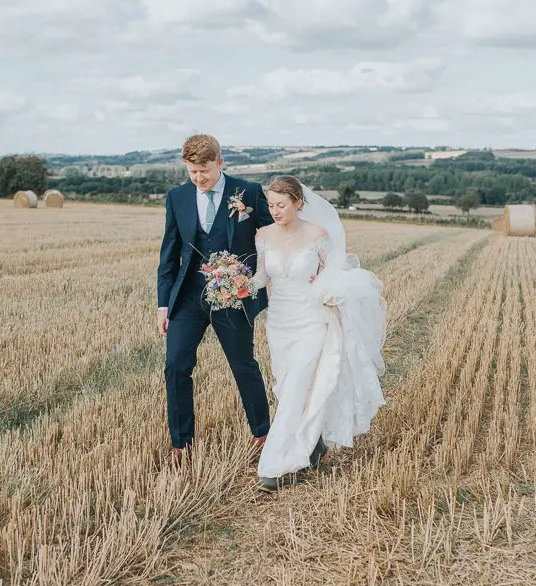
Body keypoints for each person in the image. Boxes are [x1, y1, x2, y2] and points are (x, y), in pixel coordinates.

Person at [250, 176, 387, 493]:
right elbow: (260, 278)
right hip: (280, 321)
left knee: (300, 382)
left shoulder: (318, 235)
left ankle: (273, 466)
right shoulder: (263, 235)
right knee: (286, 387)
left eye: (281, 205)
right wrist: (235, 286)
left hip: (311, 317)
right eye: (270, 205)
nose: (275, 211)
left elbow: (335, 272)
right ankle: (315, 444)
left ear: (298, 202)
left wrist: (330, 293)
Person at [156, 134, 273, 467]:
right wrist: (163, 305)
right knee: (176, 366)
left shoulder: (247, 193)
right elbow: (169, 254)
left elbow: (271, 237)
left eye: (204, 171)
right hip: (188, 297)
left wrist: (254, 278)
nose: (198, 179)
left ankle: (263, 435)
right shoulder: (177, 197)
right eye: (192, 172)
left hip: (232, 296)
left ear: (220, 163)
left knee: (243, 365)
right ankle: (181, 444)